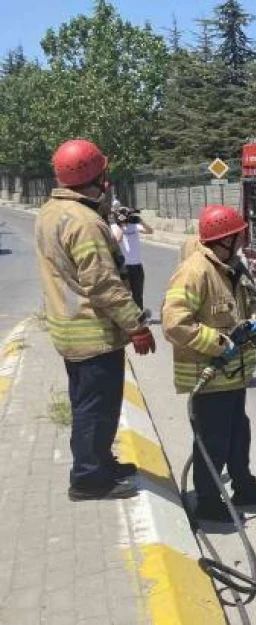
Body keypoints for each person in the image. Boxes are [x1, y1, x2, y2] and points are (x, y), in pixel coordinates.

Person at [33, 138, 157, 501]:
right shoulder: (85, 222)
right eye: (104, 171)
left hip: (68, 329)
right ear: (96, 175)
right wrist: (136, 325)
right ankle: (89, 479)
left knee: (89, 404)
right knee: (96, 409)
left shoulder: (51, 212)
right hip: (92, 333)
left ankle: (100, 462)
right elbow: (103, 282)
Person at [162, 204, 256, 522]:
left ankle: (243, 486)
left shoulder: (231, 267)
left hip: (233, 376)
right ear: (225, 240)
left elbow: (247, 305)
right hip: (210, 375)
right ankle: (208, 502)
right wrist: (219, 345)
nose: (244, 240)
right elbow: (174, 322)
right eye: (239, 236)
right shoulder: (195, 272)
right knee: (213, 442)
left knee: (238, 432)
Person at [109, 199, 153, 314]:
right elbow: (117, 240)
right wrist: (122, 225)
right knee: (125, 294)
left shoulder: (134, 226)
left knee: (138, 294)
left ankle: (139, 317)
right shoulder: (115, 227)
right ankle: (126, 317)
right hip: (125, 266)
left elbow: (150, 231)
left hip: (137, 265)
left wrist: (140, 221)